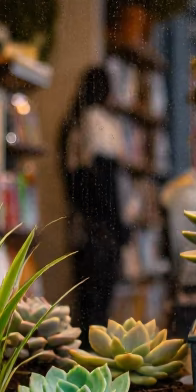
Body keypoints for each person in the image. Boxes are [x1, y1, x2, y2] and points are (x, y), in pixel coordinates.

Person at [60, 66, 130, 329]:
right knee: (101, 303)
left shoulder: (72, 124)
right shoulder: (98, 122)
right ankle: (95, 360)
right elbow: (106, 182)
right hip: (103, 228)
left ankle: (82, 359)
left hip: (80, 226)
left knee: (85, 301)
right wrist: (119, 225)